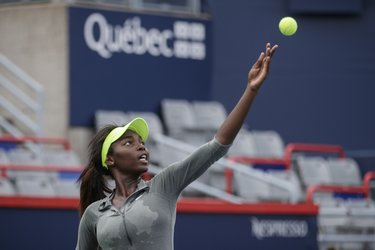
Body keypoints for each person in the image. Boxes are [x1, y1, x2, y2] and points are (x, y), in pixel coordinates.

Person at [75, 43, 278, 250]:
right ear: (109, 159)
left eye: (142, 143)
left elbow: (218, 145)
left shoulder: (164, 185)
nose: (141, 148)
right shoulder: (94, 214)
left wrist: (251, 90)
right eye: (129, 143)